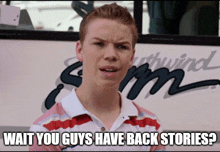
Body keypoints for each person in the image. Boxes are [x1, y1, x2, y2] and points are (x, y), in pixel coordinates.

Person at [29, 3, 165, 151]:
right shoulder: (46, 130)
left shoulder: (150, 125)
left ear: (131, 56)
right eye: (99, 44)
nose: (111, 55)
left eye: (121, 47)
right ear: (80, 50)